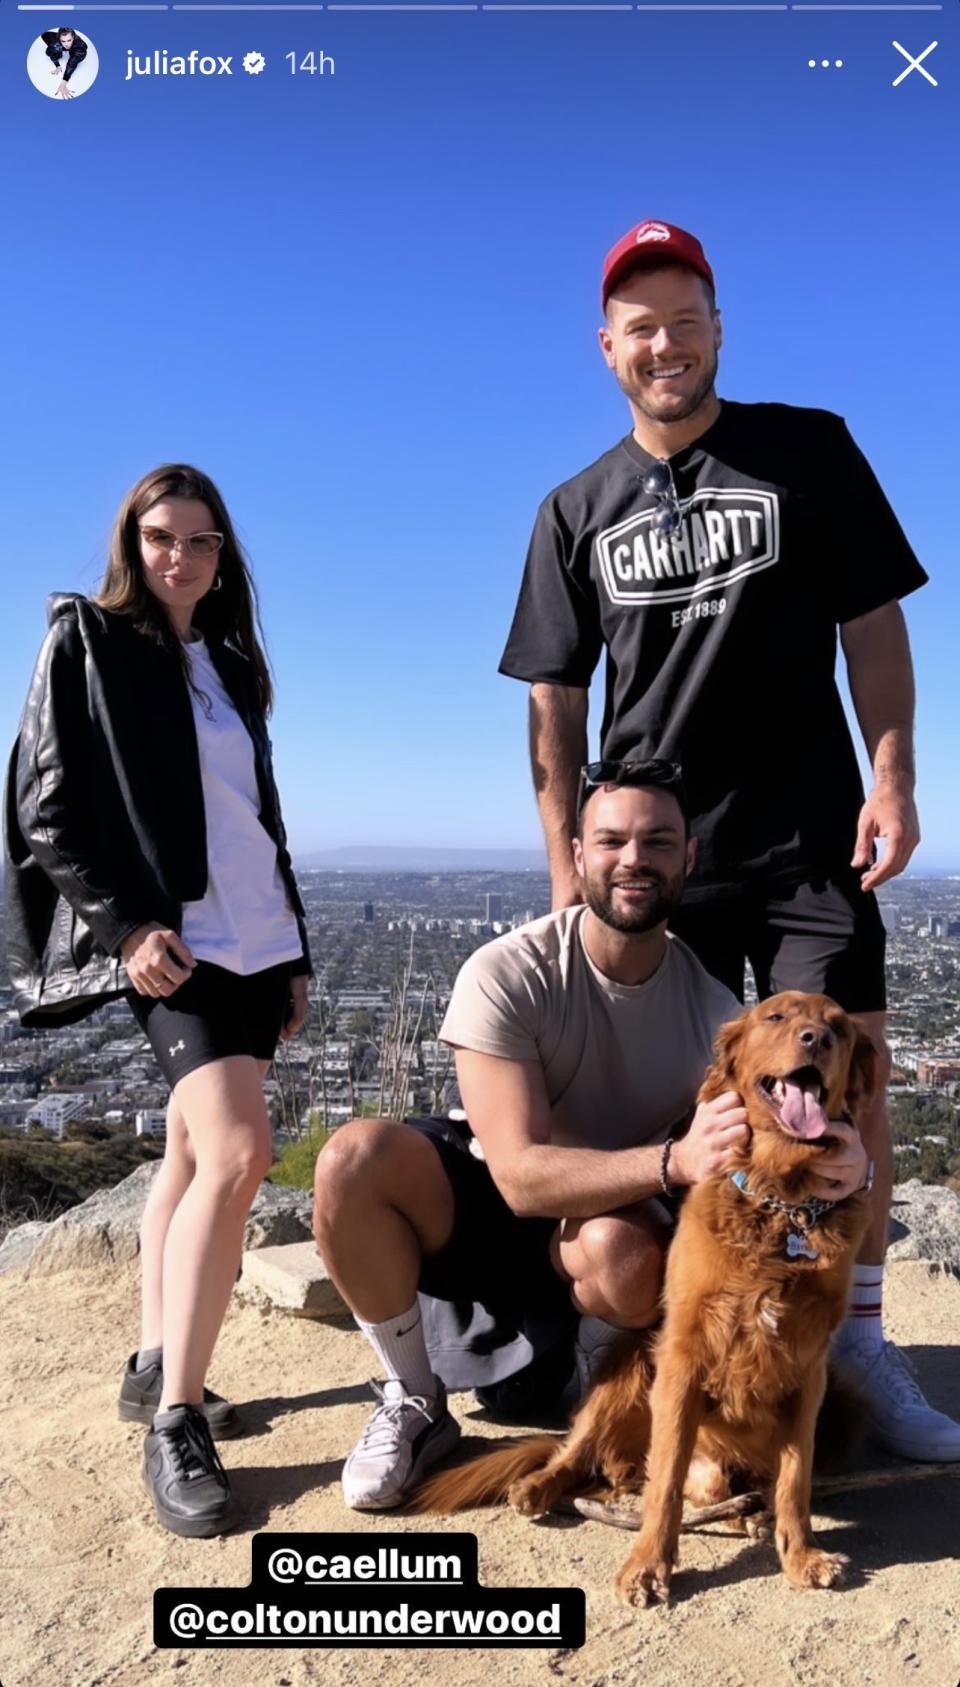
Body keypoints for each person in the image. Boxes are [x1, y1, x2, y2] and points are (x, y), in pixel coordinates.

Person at [497, 219, 959, 1463]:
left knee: (852, 1069)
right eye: (640, 325)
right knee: (683, 1101)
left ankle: (856, 1330)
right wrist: (566, 861)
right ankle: (664, 1337)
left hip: (813, 834)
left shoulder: (808, 451)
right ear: (608, 348)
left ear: (718, 332)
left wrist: (896, 773)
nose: (665, 343)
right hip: (662, 859)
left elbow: (872, 620)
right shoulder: (575, 508)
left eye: (685, 319)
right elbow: (554, 697)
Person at [312, 762, 870, 1511]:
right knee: (353, 1159)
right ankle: (413, 1397)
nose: (634, 858)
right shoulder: (509, 970)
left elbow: (778, 1125)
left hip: (605, 1246)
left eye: (658, 841)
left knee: (625, 1247)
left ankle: (597, 1389)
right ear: (577, 853)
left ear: (688, 859)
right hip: (492, 1213)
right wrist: (674, 1159)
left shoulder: (715, 1011)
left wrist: (845, 1155)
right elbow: (515, 1174)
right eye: (612, 840)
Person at [4, 464, 311, 1537]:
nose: (178, 556)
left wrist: (299, 945)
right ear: (129, 544)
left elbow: (256, 815)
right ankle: (176, 1416)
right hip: (175, 943)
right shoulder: (84, 641)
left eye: (200, 540)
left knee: (189, 1157)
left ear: (225, 556)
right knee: (235, 1156)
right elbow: (43, 807)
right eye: (159, 536)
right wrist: (126, 927)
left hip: (257, 938)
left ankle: (150, 1364)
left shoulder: (229, 663)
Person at [41, 27, 87, 97]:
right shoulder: (56, 44)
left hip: (77, 48)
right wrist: (57, 65)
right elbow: (50, 53)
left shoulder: (80, 46)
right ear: (59, 39)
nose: (66, 44)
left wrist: (63, 82)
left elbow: (71, 64)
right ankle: (60, 46)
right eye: (63, 41)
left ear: (73, 38)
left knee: (78, 56)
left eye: (69, 40)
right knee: (46, 37)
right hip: (52, 40)